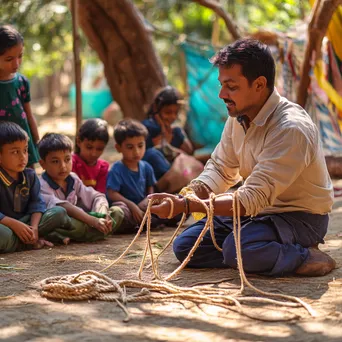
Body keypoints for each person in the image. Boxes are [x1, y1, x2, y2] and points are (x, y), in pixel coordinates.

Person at [149, 39, 336, 277]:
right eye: (221, 85)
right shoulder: (238, 117)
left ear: (259, 85)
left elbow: (252, 198)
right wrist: (191, 193)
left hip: (299, 217)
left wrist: (187, 206)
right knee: (186, 247)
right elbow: (220, 167)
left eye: (231, 86)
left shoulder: (291, 128)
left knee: (238, 251)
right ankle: (263, 248)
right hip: (257, 213)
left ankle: (304, 255)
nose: (221, 94)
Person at [38, 133, 124, 242]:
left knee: (117, 212)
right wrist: (93, 221)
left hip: (80, 222)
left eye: (67, 159)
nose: (63, 166)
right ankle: (95, 233)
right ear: (43, 164)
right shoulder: (42, 184)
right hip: (63, 223)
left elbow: (96, 196)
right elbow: (64, 206)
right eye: (55, 161)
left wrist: (102, 214)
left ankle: (93, 231)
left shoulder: (73, 179)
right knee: (60, 214)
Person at [0, 122, 69, 253]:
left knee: (58, 213)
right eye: (15, 152)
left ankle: (29, 238)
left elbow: (37, 204)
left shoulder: (30, 176)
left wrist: (34, 227)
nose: (23, 157)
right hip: (5, 226)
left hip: (27, 223)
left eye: (25, 150)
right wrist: (14, 225)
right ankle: (28, 243)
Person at [107, 119, 179, 233]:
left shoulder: (146, 167)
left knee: (172, 202)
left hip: (143, 206)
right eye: (130, 147)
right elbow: (112, 193)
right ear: (118, 148)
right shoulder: (116, 169)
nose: (136, 152)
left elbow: (150, 188)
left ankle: (148, 222)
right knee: (119, 211)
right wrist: (132, 205)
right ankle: (146, 223)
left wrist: (147, 199)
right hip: (128, 207)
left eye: (140, 145)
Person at [0, 25, 40, 167]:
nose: (16, 63)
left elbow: (29, 115)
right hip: (3, 152)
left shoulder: (21, 82)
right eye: (9, 58)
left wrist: (38, 144)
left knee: (28, 184)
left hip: (24, 149)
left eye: (20, 56)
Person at [72, 118, 110, 193]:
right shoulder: (70, 162)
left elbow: (100, 193)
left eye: (99, 149)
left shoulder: (103, 167)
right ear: (79, 142)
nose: (93, 153)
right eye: (89, 147)